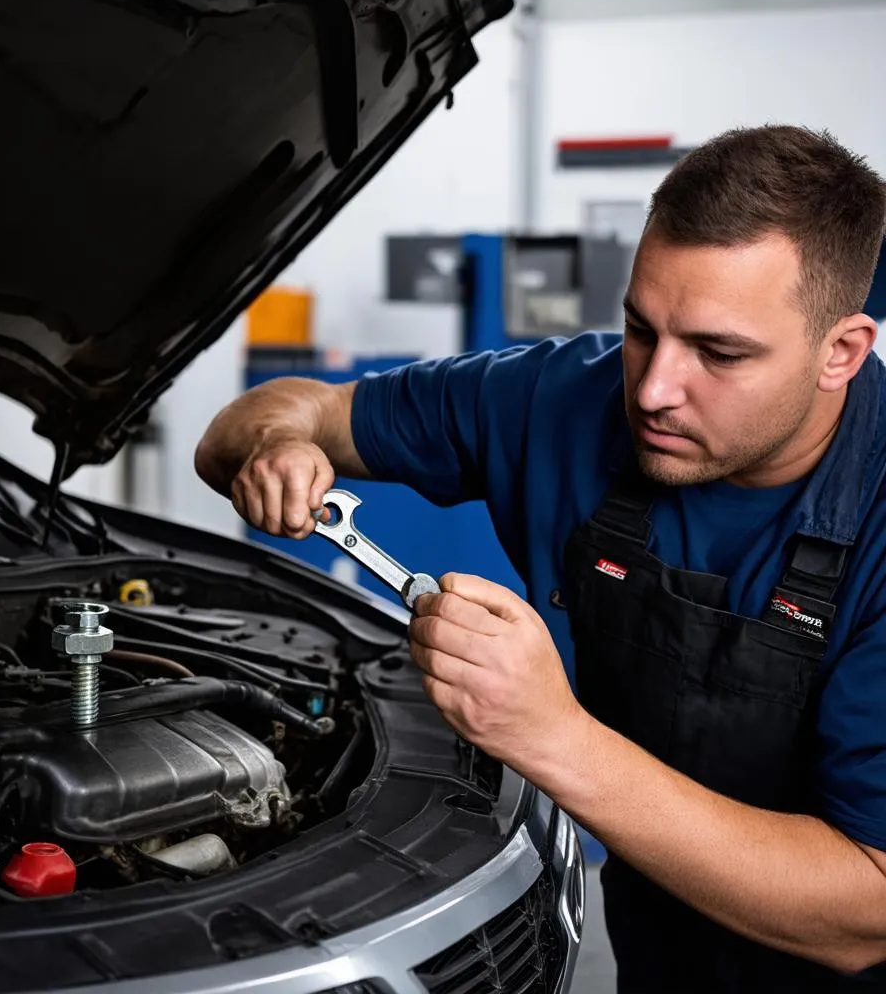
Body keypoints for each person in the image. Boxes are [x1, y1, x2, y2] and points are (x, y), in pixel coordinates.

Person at [194, 125, 886, 993]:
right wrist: (277, 447)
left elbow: (867, 909)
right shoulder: (560, 398)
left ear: (841, 352)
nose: (655, 389)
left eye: (719, 353)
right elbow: (261, 418)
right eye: (641, 328)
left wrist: (548, 734)